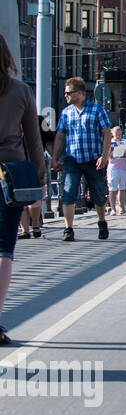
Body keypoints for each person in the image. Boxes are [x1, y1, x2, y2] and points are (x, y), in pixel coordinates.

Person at [0, 37, 47, 343]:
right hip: (10, 176)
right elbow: (34, 141)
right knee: (4, 249)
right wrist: (40, 181)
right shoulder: (21, 91)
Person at [51, 77, 113, 242]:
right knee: (68, 192)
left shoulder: (97, 110)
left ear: (80, 93)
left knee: (98, 195)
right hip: (73, 159)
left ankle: (102, 222)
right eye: (65, 93)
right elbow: (60, 135)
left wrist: (104, 156)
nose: (66, 96)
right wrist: (55, 158)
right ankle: (68, 229)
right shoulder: (66, 112)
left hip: (93, 159)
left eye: (68, 93)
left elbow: (107, 133)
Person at [107, 126, 126, 216]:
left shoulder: (125, 142)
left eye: (120, 134)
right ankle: (113, 209)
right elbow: (107, 156)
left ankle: (122, 208)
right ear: (112, 134)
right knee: (112, 189)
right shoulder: (109, 143)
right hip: (113, 168)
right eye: (116, 134)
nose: (118, 136)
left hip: (124, 168)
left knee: (122, 189)